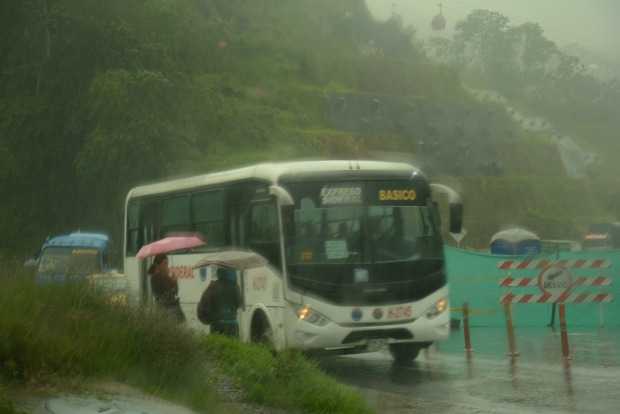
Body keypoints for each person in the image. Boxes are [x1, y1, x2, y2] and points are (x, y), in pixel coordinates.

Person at [197, 267, 241, 336]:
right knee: (232, 346)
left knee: (218, 345)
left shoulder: (212, 286)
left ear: (218, 274)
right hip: (232, 324)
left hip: (217, 325)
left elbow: (204, 303)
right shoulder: (234, 286)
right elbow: (239, 303)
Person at [148, 254, 185, 323]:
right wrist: (171, 281)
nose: (167, 266)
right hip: (165, 311)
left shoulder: (164, 276)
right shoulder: (156, 277)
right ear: (158, 265)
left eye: (167, 263)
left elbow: (176, 292)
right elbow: (167, 294)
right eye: (165, 263)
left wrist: (173, 281)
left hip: (169, 310)